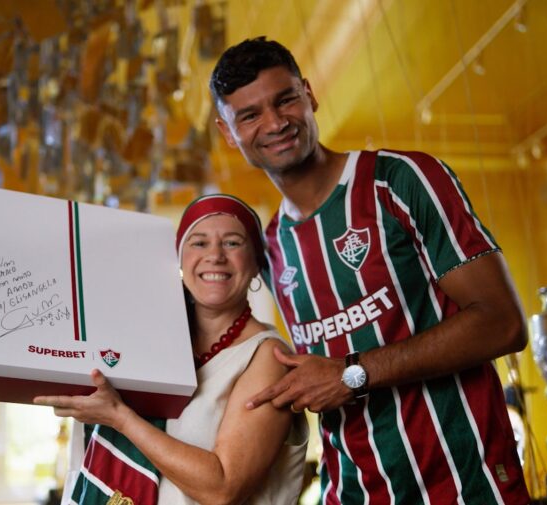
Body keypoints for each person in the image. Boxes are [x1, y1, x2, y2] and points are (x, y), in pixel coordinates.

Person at [209, 37, 530, 504]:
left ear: (309, 94)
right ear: (227, 132)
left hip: (467, 484)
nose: (275, 123)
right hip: (353, 493)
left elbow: (503, 323)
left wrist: (351, 373)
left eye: (285, 100)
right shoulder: (273, 243)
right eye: (250, 115)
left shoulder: (401, 181)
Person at [34, 194, 308, 505]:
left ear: (257, 262)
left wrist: (120, 418)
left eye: (232, 243)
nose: (215, 255)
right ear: (179, 259)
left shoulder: (269, 358)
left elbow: (223, 488)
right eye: (199, 243)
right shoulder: (147, 342)